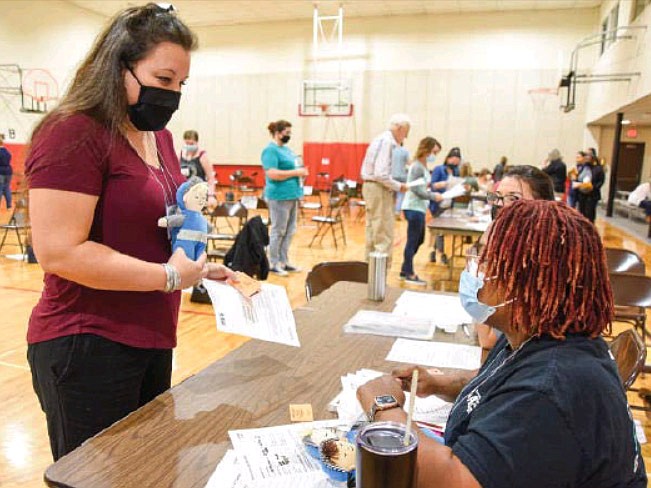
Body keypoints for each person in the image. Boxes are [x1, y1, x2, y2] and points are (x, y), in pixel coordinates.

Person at [24, 3, 235, 461]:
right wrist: (169, 277)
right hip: (87, 342)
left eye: (181, 84)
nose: (173, 94)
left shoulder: (158, 136)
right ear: (119, 65)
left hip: (151, 334)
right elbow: (60, 252)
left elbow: (147, 228)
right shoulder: (73, 132)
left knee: (147, 470)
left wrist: (196, 268)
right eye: (163, 80)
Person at [358, 200, 646, 488]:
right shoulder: (542, 333)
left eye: (485, 259)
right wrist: (439, 383)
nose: (474, 268)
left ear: (526, 281)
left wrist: (384, 407)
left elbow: (453, 481)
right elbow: (504, 380)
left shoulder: (550, 390)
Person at [478, 165, 554, 349]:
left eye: (513, 198)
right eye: (498, 197)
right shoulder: (513, 250)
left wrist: (486, 252)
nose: (500, 205)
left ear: (542, 205)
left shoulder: (538, 261)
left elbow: (488, 339)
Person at [360, 114, 410, 266]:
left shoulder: (380, 140)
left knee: (373, 230)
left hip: (372, 187)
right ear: (399, 128)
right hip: (378, 188)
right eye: (406, 132)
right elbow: (380, 174)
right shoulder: (387, 142)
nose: (406, 136)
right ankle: (379, 277)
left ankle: (369, 272)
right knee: (383, 233)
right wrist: (399, 186)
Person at [261, 119, 306, 276]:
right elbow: (272, 173)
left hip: (293, 195)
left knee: (290, 230)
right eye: (286, 133)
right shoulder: (270, 151)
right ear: (278, 133)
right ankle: (273, 262)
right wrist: (296, 173)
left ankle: (284, 261)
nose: (289, 136)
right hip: (279, 196)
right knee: (278, 230)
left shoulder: (287, 150)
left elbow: (296, 168)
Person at [399, 137, 443, 285]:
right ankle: (409, 273)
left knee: (419, 239)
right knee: (413, 240)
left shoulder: (422, 166)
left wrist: (434, 187)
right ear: (427, 149)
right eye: (433, 152)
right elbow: (417, 190)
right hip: (413, 206)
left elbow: (423, 186)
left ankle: (405, 269)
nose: (434, 156)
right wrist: (433, 196)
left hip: (419, 207)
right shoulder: (417, 166)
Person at [429, 146, 461, 264]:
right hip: (438, 203)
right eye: (453, 158)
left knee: (439, 232)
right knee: (439, 231)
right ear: (448, 158)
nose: (455, 161)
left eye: (458, 159)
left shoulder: (457, 171)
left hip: (449, 203)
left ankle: (433, 252)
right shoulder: (439, 169)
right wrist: (443, 184)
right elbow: (432, 185)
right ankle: (442, 254)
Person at [179, 129, 217, 207]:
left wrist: (211, 196)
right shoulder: (180, 154)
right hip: (184, 192)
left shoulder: (203, 156)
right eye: (187, 143)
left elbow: (211, 178)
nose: (189, 146)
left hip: (199, 193)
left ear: (196, 143)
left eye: (191, 143)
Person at [391, 142, 410, 219]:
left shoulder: (390, 151)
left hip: (391, 176)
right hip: (402, 176)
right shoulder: (405, 151)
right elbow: (409, 163)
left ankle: (390, 212)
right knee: (401, 195)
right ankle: (397, 212)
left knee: (391, 195)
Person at [0, 133, 12, 209]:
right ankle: (9, 206)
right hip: (8, 172)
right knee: (7, 188)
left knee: (0, 188)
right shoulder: (8, 152)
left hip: (0, 172)